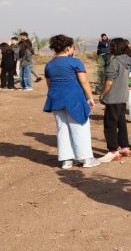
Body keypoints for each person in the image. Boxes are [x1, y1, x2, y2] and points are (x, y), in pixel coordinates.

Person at [42, 35, 100, 169]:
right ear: (68, 47)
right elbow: (84, 81)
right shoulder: (75, 62)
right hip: (74, 98)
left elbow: (49, 84)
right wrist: (90, 98)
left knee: (62, 129)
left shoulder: (49, 64)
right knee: (80, 126)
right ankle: (87, 158)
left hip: (56, 98)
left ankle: (67, 160)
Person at [98, 38, 131, 162]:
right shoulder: (127, 60)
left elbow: (109, 81)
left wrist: (102, 94)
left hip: (113, 97)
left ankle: (113, 151)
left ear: (115, 47)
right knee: (121, 123)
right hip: (123, 96)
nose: (109, 47)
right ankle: (124, 148)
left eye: (111, 46)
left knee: (110, 125)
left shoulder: (114, 61)